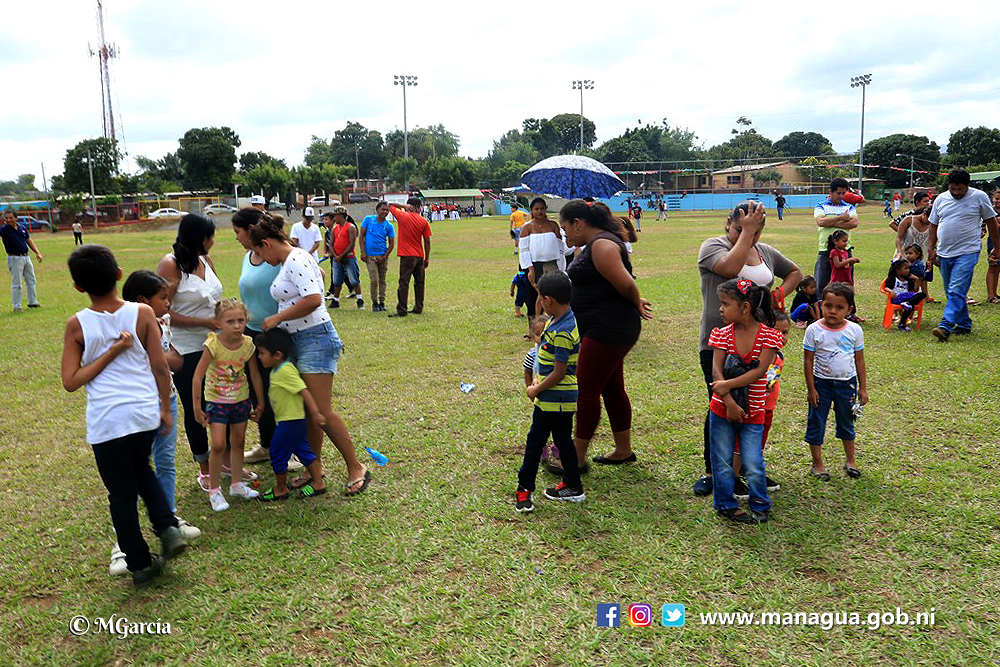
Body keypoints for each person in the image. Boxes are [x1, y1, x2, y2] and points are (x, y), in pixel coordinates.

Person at [61, 245, 186, 588]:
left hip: (107, 420)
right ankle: (167, 527)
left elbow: (71, 381)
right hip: (142, 412)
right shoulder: (143, 312)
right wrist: (164, 408)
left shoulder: (77, 325)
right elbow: (160, 367)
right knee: (143, 469)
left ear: (78, 287)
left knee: (120, 494)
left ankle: (141, 565)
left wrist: (106, 354)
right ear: (119, 274)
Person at [248, 220, 371, 496]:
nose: (262, 260)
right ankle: (313, 469)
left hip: (315, 338)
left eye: (260, 253)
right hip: (300, 340)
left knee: (322, 412)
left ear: (266, 244)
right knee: (309, 412)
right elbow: (318, 278)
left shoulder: (296, 258)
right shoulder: (292, 260)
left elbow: (314, 299)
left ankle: (356, 467)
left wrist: (278, 318)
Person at [695, 201, 801, 496]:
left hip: (759, 344)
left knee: (753, 407)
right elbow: (729, 268)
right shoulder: (713, 247)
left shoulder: (764, 251)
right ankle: (713, 472)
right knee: (721, 405)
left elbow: (795, 272)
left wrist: (775, 296)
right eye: (741, 229)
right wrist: (747, 233)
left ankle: (742, 470)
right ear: (727, 224)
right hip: (720, 343)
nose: (750, 236)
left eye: (756, 230)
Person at [108, 270, 200, 575]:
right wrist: (164, 359)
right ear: (142, 300)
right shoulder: (124, 325)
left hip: (167, 398)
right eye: (163, 298)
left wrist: (166, 361)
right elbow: (157, 361)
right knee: (135, 472)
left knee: (165, 461)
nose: (168, 302)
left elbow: (171, 358)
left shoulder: (163, 321)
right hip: (140, 405)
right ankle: (122, 545)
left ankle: (169, 520)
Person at [553, 200, 653, 476]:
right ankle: (623, 449)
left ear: (578, 223)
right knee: (611, 388)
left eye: (565, 227)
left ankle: (576, 458)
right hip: (604, 326)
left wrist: (636, 301)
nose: (564, 233)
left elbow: (626, 283)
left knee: (586, 389)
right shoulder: (594, 244)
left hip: (609, 327)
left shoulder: (602, 245)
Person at [707, 279, 782, 524]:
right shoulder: (721, 334)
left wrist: (727, 385)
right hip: (721, 410)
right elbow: (716, 372)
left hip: (754, 412)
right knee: (722, 460)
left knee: (753, 461)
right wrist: (729, 403)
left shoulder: (769, 337)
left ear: (745, 307)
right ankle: (725, 504)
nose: (720, 309)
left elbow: (760, 371)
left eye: (725, 304)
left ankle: (760, 503)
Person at [156, 214, 223, 490]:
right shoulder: (170, 265)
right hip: (185, 346)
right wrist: (203, 322)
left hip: (215, 343)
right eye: (209, 237)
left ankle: (223, 460)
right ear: (198, 238)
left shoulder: (205, 259)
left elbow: (216, 298)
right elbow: (162, 310)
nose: (213, 241)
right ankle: (204, 467)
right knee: (195, 406)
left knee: (221, 403)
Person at [515, 272, 584, 512]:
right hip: (557, 398)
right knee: (563, 440)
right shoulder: (559, 319)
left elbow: (560, 372)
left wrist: (536, 388)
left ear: (549, 300)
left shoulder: (562, 330)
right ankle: (573, 485)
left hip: (554, 399)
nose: (541, 303)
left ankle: (524, 488)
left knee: (535, 442)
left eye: (541, 299)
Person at [191, 299, 264, 511]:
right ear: (219, 323)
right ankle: (214, 491)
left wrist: (260, 402)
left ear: (246, 320)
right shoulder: (213, 344)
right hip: (217, 401)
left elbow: (255, 374)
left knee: (239, 441)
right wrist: (197, 407)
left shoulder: (248, 344)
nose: (236, 326)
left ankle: (236, 485)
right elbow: (197, 377)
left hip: (241, 400)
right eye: (230, 321)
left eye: (241, 320)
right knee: (218, 445)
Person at [231, 208, 282, 466]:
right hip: (251, 333)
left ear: (251, 229)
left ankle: (288, 449)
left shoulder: (280, 256)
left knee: (279, 394)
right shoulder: (247, 257)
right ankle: (267, 445)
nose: (236, 238)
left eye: (238, 232)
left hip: (276, 334)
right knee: (258, 393)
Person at [254, 328, 328, 501]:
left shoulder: (285, 370)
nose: (259, 356)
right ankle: (318, 483)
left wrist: (315, 413)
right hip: (291, 421)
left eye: (262, 353)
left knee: (277, 453)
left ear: (277, 355)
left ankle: (281, 489)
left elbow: (304, 391)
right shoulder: (277, 370)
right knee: (303, 451)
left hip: (290, 422)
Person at [804, 282, 867, 480]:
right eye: (828, 306)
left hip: (847, 384)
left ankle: (851, 461)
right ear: (821, 304)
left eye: (839, 307)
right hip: (820, 384)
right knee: (816, 422)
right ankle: (817, 464)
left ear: (849, 309)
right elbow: (808, 360)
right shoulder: (813, 330)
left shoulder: (854, 330)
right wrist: (811, 389)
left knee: (847, 422)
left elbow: (859, 359)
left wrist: (863, 388)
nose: (833, 311)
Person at [928, 170, 999, 341]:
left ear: (968, 185)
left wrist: (998, 247)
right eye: (953, 189)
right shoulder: (941, 199)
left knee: (956, 289)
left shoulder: (979, 197)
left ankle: (945, 326)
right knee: (951, 291)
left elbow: (991, 222)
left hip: (968, 251)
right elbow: (933, 224)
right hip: (944, 252)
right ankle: (964, 323)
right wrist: (930, 247)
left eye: (960, 189)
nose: (956, 193)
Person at [519, 198, 567, 316]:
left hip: (552, 265)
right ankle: (535, 323)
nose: (540, 211)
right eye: (536, 209)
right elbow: (524, 250)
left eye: (542, 209)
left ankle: (554, 320)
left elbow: (560, 247)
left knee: (553, 295)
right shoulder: (527, 227)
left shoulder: (553, 225)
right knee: (535, 296)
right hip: (534, 266)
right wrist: (530, 269)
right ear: (531, 210)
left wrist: (561, 266)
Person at [387, 198, 432, 318]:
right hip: (419, 256)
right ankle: (418, 307)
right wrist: (427, 258)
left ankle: (402, 309)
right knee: (419, 283)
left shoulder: (402, 216)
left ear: (409, 206)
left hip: (406, 255)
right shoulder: (423, 221)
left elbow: (389, 205)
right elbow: (427, 241)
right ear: (418, 208)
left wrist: (403, 206)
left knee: (404, 282)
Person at [813, 178, 859, 291]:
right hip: (825, 250)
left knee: (846, 284)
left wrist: (831, 223)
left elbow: (854, 223)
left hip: (845, 250)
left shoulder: (849, 207)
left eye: (844, 193)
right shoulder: (821, 205)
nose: (841, 196)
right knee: (822, 285)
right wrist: (841, 218)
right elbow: (821, 222)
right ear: (831, 192)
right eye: (838, 193)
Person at [1, 211, 43, 312]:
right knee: (17, 283)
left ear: (16, 218)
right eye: (7, 218)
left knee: (31, 280)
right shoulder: (4, 229)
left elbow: (28, 240)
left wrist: (37, 253)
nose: (8, 220)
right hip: (15, 258)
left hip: (26, 257)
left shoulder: (22, 228)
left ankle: (32, 302)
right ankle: (17, 306)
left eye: (11, 218)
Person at [359, 201, 396, 312]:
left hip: (382, 256)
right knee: (374, 280)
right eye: (382, 209)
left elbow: (391, 244)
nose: (385, 212)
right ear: (377, 209)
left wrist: (384, 257)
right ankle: (374, 302)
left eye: (387, 210)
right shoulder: (368, 220)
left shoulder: (389, 226)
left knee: (382, 280)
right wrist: (362, 252)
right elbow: (361, 236)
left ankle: (382, 302)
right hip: (370, 256)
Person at [326, 207, 364, 309]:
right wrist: (335, 255)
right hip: (337, 258)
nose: (334, 218)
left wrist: (341, 256)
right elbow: (331, 243)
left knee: (354, 279)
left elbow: (352, 244)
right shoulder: (335, 228)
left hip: (348, 257)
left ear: (341, 216)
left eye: (335, 216)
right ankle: (336, 300)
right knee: (336, 280)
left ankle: (359, 299)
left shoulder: (350, 227)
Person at [885, 258, 926, 332]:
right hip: (897, 298)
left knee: (922, 295)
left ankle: (902, 324)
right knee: (910, 302)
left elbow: (915, 290)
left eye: (908, 268)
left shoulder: (908, 280)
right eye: (906, 268)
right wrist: (891, 291)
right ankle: (908, 303)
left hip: (906, 298)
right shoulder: (893, 278)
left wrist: (917, 281)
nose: (908, 270)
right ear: (898, 270)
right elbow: (886, 287)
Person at [986, 190, 1000, 303]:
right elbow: (993, 226)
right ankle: (991, 295)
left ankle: (995, 293)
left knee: (998, 268)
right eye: (997, 199)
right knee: (993, 267)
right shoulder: (990, 211)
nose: (998, 201)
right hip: (994, 242)